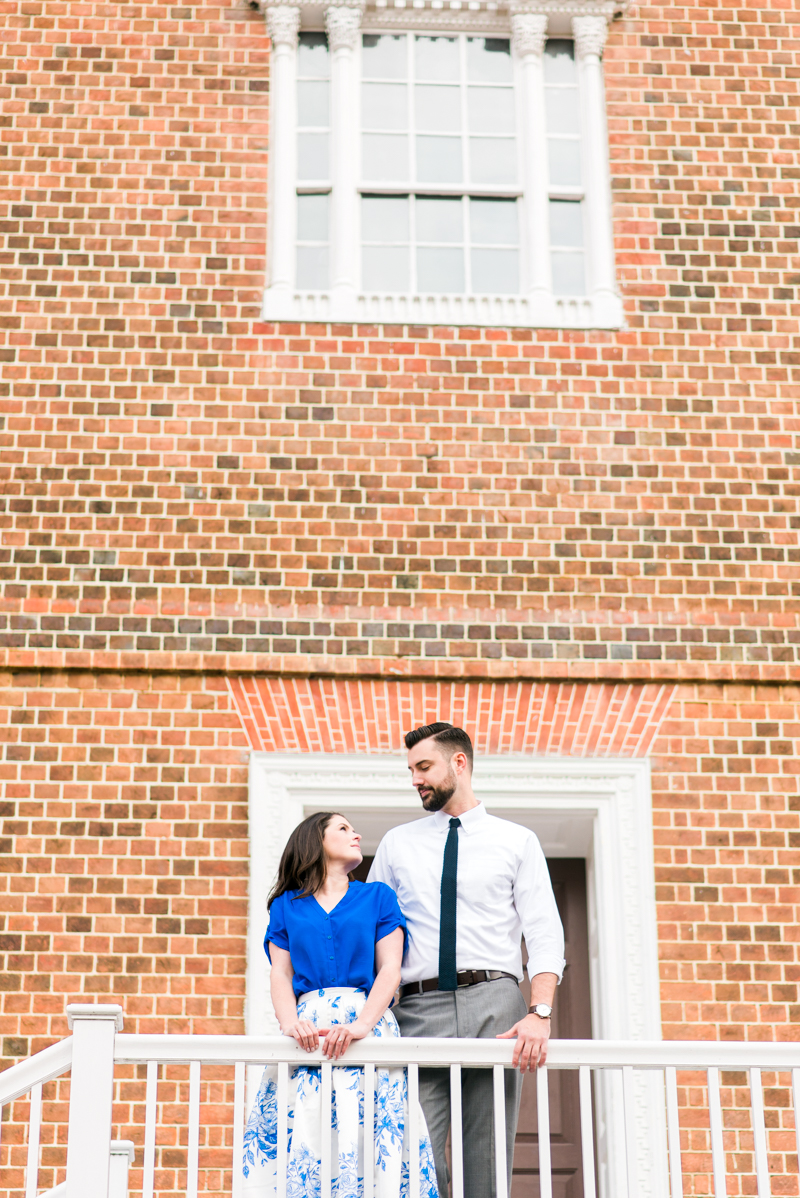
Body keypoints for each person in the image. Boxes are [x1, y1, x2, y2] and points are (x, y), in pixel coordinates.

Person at [368, 723, 565, 1198]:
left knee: (487, 1161)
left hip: (496, 1005)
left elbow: (543, 932)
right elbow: (371, 931)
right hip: (415, 1009)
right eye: (411, 770)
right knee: (411, 1159)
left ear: (458, 763)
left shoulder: (516, 841)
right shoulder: (398, 843)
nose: (415, 779)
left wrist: (539, 1013)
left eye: (424, 767)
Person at [243, 810, 439, 1198]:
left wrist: (363, 1025)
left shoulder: (378, 897)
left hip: (367, 1025)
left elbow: (390, 970)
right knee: (307, 1129)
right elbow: (280, 974)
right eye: (344, 828)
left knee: (370, 1128)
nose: (356, 834)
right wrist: (288, 1023)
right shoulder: (285, 906)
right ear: (316, 841)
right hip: (308, 1030)